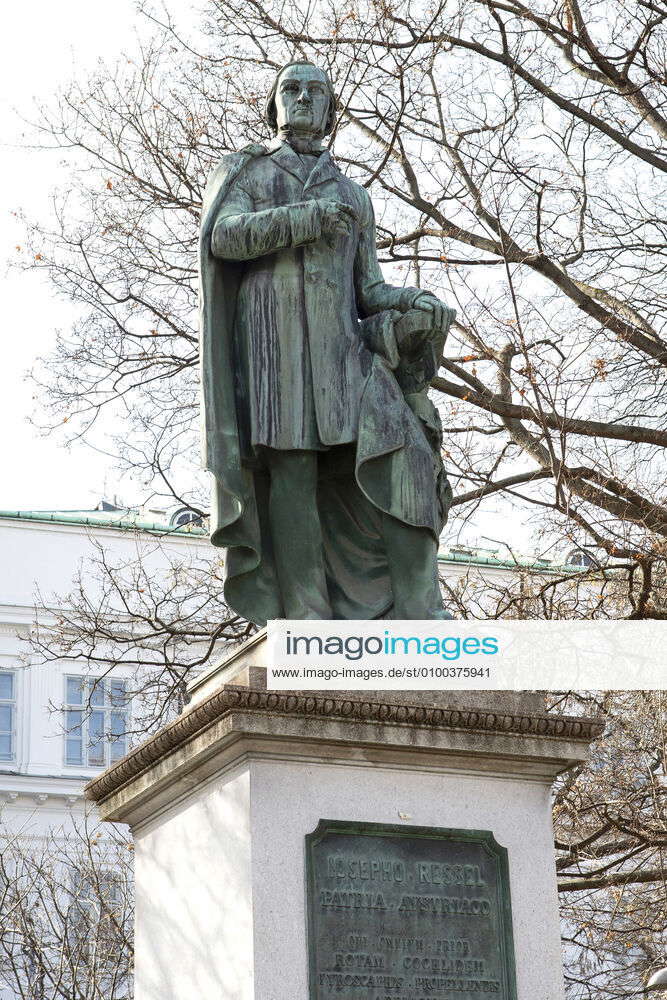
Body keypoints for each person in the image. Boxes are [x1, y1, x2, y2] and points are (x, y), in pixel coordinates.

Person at [199, 60, 456, 624]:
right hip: (274, 348)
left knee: (408, 456)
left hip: (343, 352)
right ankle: (307, 619)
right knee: (293, 472)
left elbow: (368, 287)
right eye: (291, 89)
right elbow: (224, 237)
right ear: (274, 105)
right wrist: (303, 219)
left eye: (316, 91)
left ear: (331, 109)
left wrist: (413, 300)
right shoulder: (248, 173)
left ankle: (418, 607)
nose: (303, 98)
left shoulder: (352, 193)